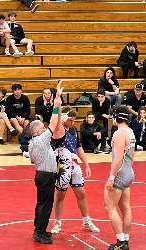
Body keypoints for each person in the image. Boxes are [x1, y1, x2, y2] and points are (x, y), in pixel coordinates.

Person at [50, 106, 100, 234]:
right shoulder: (57, 129)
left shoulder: (72, 129)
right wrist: (58, 108)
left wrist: (87, 165)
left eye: (74, 121)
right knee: (60, 195)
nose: (72, 123)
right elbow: (55, 120)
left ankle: (86, 220)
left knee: (81, 194)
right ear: (64, 118)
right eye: (70, 120)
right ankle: (57, 222)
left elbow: (78, 148)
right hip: (61, 165)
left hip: (74, 164)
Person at [27, 82, 63, 244]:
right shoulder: (41, 140)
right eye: (42, 127)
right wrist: (56, 104)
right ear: (37, 131)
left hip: (40, 174)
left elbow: (32, 159)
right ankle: (39, 232)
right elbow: (54, 125)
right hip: (46, 175)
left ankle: (39, 229)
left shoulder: (32, 143)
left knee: (41, 203)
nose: (44, 128)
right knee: (46, 205)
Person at [104, 106, 135, 250]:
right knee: (126, 207)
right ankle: (126, 240)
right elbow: (131, 155)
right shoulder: (130, 132)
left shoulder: (118, 134)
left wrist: (111, 177)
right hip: (128, 172)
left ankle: (121, 241)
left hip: (120, 174)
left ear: (117, 118)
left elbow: (118, 158)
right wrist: (128, 170)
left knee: (110, 207)